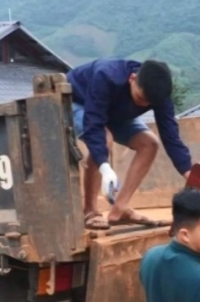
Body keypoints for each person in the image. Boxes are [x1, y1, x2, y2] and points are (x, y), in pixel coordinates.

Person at [68, 58, 192, 229]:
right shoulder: (106, 75)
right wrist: (105, 167)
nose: (144, 105)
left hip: (114, 111)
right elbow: (94, 123)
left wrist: (189, 173)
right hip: (78, 102)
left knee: (149, 144)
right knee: (104, 139)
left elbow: (170, 134)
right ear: (132, 79)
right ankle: (90, 211)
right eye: (141, 98)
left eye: (150, 103)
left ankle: (119, 209)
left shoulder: (159, 94)